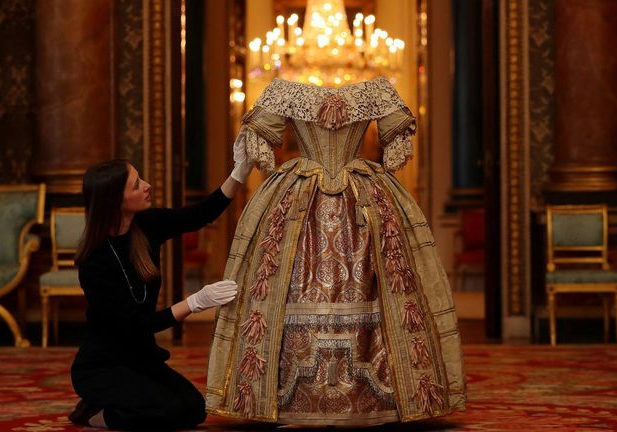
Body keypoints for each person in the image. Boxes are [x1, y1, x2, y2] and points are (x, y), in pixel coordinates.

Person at [206, 77, 465, 426]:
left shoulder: (285, 92)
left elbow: (259, 146)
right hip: (361, 190)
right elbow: (396, 149)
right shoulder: (375, 91)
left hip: (300, 190)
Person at [68, 146, 253, 430]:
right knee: (163, 411)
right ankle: (92, 415)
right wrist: (195, 302)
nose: (147, 186)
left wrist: (238, 173)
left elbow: (198, 215)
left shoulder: (146, 225)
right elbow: (136, 326)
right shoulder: (94, 263)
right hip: (102, 366)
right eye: (137, 184)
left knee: (192, 410)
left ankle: (116, 403)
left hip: (140, 359)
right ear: (116, 200)